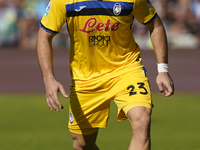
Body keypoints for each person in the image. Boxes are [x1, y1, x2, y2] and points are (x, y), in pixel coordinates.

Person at [37, 0, 174, 149]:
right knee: (81, 144)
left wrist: (163, 70)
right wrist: (48, 78)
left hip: (126, 70)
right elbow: (44, 36)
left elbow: (155, 24)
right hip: (85, 79)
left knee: (142, 121)